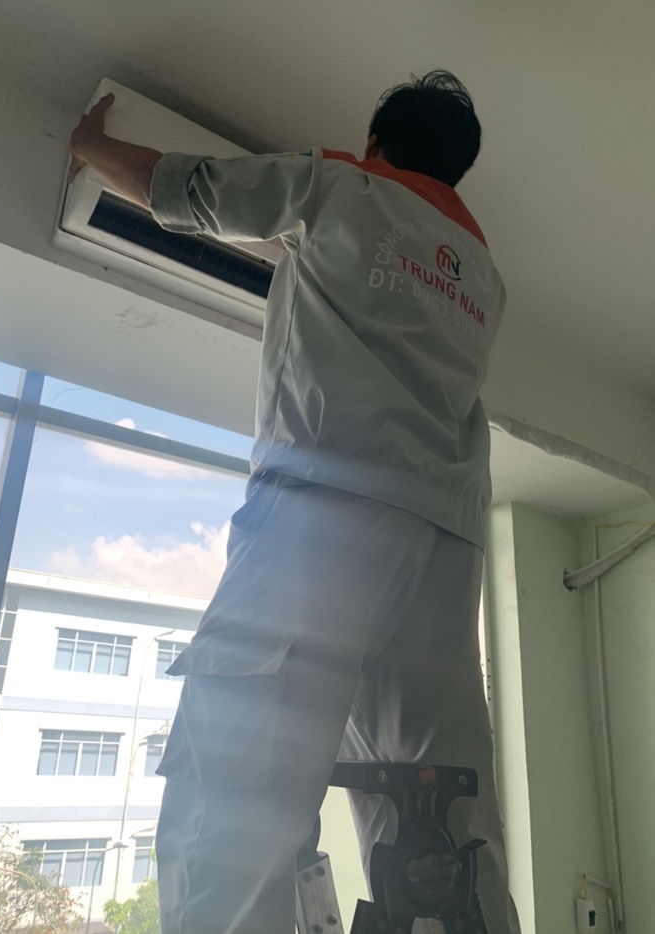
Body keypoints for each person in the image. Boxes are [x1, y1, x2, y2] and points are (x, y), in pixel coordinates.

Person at [69, 71, 521, 934]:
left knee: (238, 779)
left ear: (378, 143)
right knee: (440, 807)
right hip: (445, 542)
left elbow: (190, 191)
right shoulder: (484, 280)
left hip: (326, 509)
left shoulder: (340, 187)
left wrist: (90, 144)